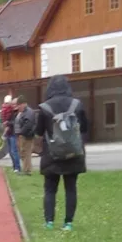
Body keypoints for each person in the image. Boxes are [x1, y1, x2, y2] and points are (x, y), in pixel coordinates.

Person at [35, 75, 89, 231]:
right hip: (73, 153)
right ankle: (68, 223)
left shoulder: (44, 107)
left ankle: (49, 222)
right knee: (71, 188)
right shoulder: (77, 105)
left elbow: (38, 132)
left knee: (50, 189)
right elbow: (85, 128)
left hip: (52, 154)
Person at [14, 99, 38, 176]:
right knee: (23, 152)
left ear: (23, 104)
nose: (18, 107)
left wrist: (21, 132)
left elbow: (28, 125)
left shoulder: (29, 112)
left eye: (19, 105)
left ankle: (27, 171)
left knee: (26, 153)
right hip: (24, 135)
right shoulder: (24, 112)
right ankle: (26, 169)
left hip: (27, 135)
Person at [1, 94, 22, 173]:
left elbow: (15, 122)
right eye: (12, 104)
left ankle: (17, 167)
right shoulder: (11, 112)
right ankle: (14, 167)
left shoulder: (17, 112)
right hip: (9, 133)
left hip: (14, 133)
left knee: (14, 151)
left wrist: (8, 123)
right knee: (10, 151)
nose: (13, 105)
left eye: (13, 104)